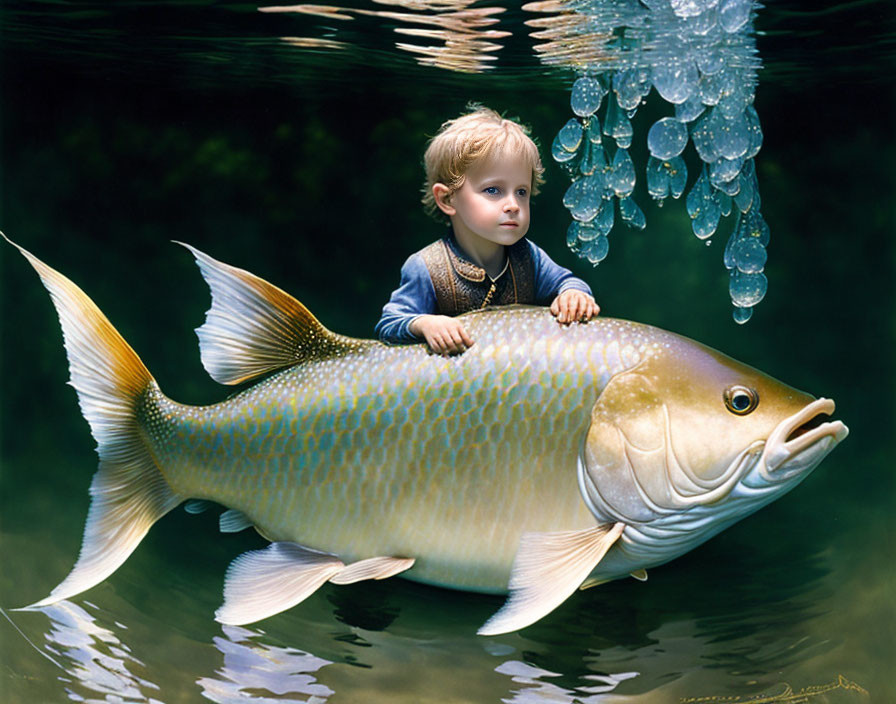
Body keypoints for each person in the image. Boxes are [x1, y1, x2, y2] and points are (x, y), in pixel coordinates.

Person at [375, 106, 598, 355]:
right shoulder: (425, 267)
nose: (513, 205)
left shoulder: (528, 257)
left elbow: (566, 281)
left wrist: (573, 294)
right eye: (493, 190)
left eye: (521, 191)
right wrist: (425, 323)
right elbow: (389, 325)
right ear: (447, 199)